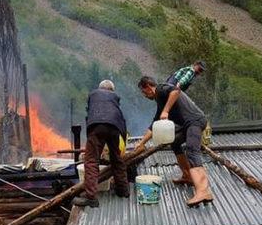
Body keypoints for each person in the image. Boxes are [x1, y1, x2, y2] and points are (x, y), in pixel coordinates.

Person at [135, 76, 213, 207]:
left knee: (192, 151)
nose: (144, 95)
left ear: (148, 87)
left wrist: (166, 111)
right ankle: (187, 175)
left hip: (194, 121)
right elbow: (154, 125)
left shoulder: (161, 89)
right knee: (175, 142)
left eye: (144, 92)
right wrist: (141, 143)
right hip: (186, 125)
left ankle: (203, 191)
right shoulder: (161, 101)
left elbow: (176, 90)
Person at [73, 79, 129, 208]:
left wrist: (90, 139)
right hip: (115, 126)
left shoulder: (93, 94)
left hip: (97, 126)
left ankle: (91, 198)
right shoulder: (115, 97)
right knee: (117, 159)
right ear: (111, 90)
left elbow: (90, 115)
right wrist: (123, 143)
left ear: (100, 88)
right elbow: (120, 117)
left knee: (92, 161)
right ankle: (123, 191)